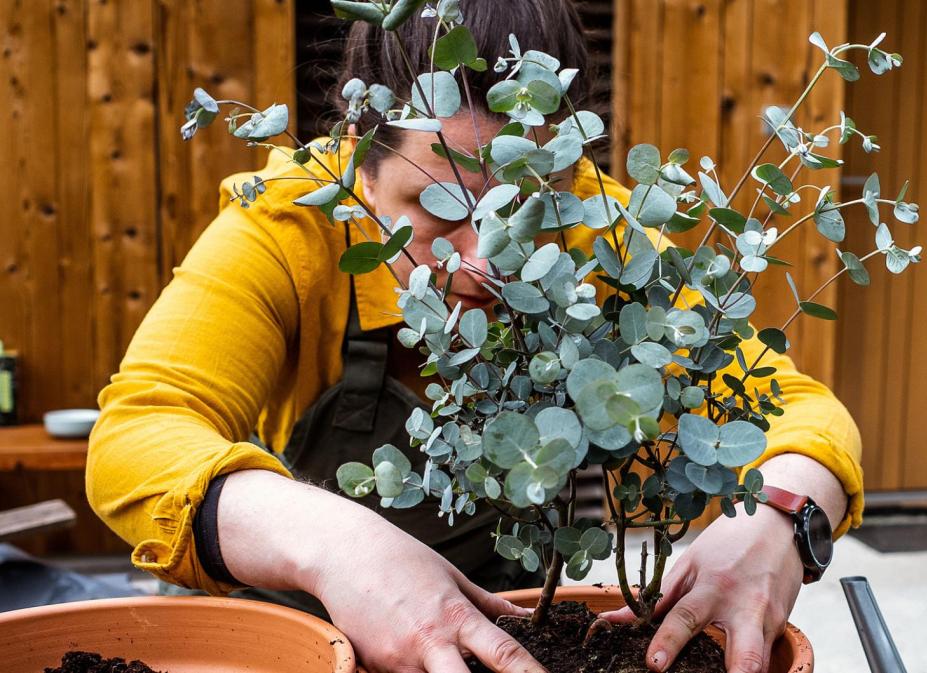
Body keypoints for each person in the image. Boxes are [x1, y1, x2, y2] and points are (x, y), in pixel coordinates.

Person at [86, 2, 864, 672]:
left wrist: (779, 516)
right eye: (439, 212)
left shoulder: (602, 232)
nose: (484, 264)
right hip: (302, 638)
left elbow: (796, 408)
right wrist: (336, 541)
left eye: (525, 211)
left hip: (513, 628)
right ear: (359, 161)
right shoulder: (292, 224)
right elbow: (140, 432)